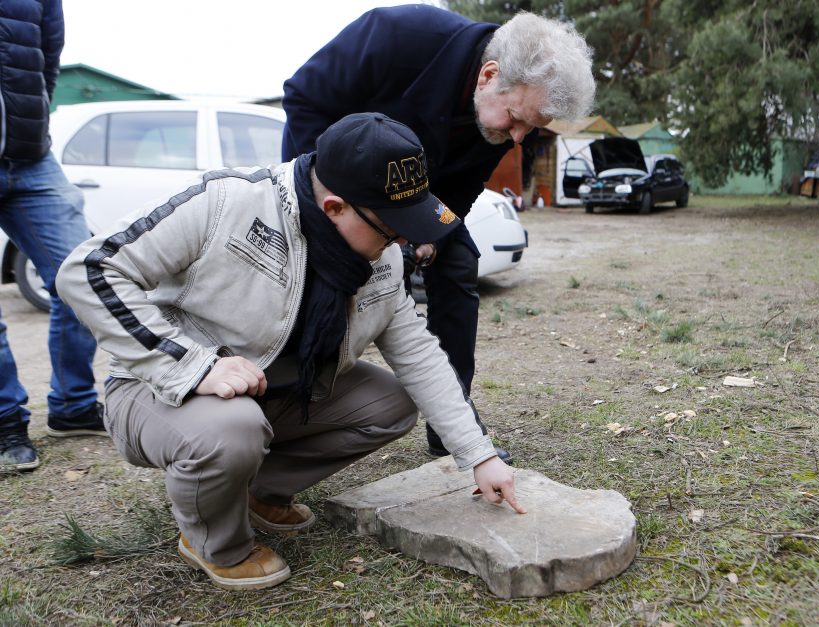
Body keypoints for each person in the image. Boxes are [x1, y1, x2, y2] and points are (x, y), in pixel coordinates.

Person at [56, 112, 523, 591]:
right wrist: (191, 366)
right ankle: (216, 541)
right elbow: (90, 269)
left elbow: (419, 355)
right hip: (156, 389)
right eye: (390, 227)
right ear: (336, 207)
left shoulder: (378, 259)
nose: (403, 241)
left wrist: (477, 455)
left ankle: (255, 492)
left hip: (270, 391)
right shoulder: (226, 203)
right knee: (232, 429)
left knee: (392, 403)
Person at [281, 6, 595, 462]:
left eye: (533, 128)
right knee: (323, 286)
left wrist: (431, 237)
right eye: (516, 119)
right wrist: (329, 204)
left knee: (460, 259)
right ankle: (289, 411)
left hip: (415, 204)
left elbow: (464, 187)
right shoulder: (397, 36)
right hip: (333, 193)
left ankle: (452, 423)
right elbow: (303, 97)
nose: (519, 139)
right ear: (489, 75)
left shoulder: (500, 122)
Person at [0, 0, 105, 472]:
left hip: (31, 157)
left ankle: (73, 406)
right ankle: (5, 422)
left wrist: (32, 119)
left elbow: (47, 54)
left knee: (82, 275)